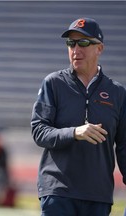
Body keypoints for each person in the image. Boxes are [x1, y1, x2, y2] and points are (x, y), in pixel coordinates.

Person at [31, 17, 126, 216]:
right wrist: (74, 132)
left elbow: (124, 146)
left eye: (83, 42)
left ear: (99, 48)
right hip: (58, 191)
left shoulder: (117, 93)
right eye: (71, 43)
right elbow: (39, 131)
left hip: (98, 196)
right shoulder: (53, 83)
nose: (76, 49)